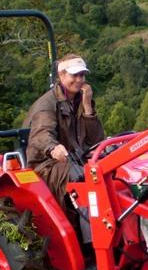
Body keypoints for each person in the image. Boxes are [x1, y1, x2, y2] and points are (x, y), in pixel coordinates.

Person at [23, 54, 105, 210]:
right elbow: (41, 134)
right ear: (61, 75)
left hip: (76, 158)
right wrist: (52, 148)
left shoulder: (80, 100)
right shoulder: (46, 104)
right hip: (48, 165)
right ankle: (88, 230)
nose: (80, 80)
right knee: (85, 178)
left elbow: (97, 140)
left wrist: (88, 107)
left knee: (108, 171)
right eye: (74, 75)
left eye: (82, 75)